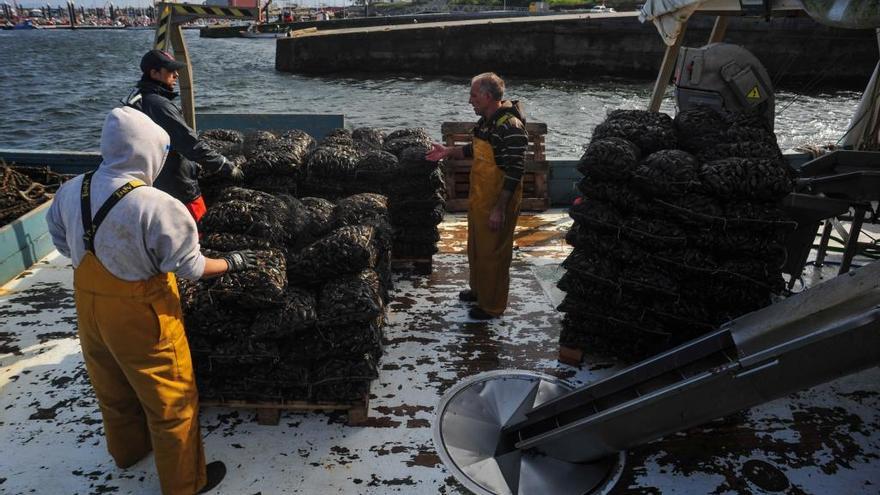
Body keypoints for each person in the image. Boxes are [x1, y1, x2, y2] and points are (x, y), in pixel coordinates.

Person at [46, 106, 257, 494]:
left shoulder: (71, 189)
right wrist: (231, 262)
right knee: (171, 401)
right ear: (148, 151)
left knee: (111, 387)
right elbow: (190, 267)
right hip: (141, 316)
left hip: (89, 309)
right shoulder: (158, 206)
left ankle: (127, 453)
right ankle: (185, 484)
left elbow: (61, 242)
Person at [426, 72, 529, 320]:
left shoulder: (510, 127)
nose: (469, 100)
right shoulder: (487, 122)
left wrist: (499, 209)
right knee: (477, 248)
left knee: (493, 253)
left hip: (497, 200)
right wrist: (449, 152)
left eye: (473, 95)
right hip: (481, 198)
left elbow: (515, 171)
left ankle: (492, 306)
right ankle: (479, 291)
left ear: (487, 96)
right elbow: (477, 148)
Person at [123, 49, 244, 222]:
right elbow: (190, 144)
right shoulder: (158, 105)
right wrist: (225, 166)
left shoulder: (138, 98)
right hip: (177, 185)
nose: (176, 75)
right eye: (171, 70)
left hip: (154, 182)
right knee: (197, 233)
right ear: (154, 73)